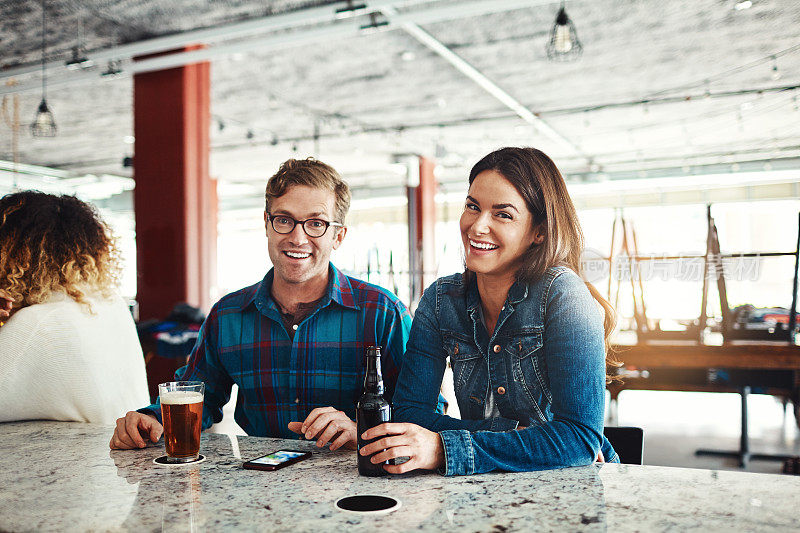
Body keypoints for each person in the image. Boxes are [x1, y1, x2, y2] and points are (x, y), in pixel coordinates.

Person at [110, 158, 417, 452]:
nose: (298, 238)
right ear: (268, 226)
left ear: (338, 236)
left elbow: (422, 411)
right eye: (284, 220)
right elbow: (196, 397)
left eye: (316, 223)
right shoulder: (228, 316)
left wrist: (359, 431)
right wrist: (150, 420)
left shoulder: (382, 313)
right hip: (261, 484)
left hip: (358, 485)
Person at [359, 147, 619, 475]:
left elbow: (579, 440)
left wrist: (444, 447)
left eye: (503, 214)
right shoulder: (441, 299)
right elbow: (410, 414)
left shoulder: (563, 294)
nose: (477, 226)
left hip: (570, 487)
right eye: (472, 206)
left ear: (539, 231)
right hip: (484, 485)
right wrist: (508, 434)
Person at [0, 191, 149, 424]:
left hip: (81, 459)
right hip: (127, 456)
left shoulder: (36, 324)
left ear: (11, 255)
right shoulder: (109, 303)